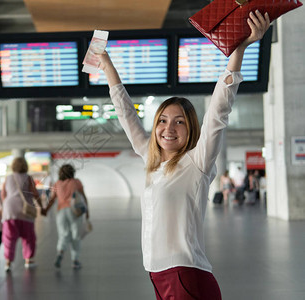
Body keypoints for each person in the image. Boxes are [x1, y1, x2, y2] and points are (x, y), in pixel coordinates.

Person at [96, 10, 270, 299]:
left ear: (191, 130)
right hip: (157, 275)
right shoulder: (152, 161)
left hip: (185, 277)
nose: (168, 128)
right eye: (162, 120)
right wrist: (106, 64)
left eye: (179, 121)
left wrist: (239, 49)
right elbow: (125, 113)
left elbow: (218, 111)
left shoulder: (196, 163)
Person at [42, 164, 89, 269]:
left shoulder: (57, 184)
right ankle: (75, 260)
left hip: (61, 212)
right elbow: (83, 196)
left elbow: (53, 199)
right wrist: (87, 211)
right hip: (74, 211)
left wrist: (45, 210)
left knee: (63, 234)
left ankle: (60, 253)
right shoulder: (76, 182)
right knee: (76, 235)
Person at [0, 157, 43, 272]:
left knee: (9, 237)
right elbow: (34, 193)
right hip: (25, 210)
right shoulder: (28, 178)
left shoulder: (8, 178)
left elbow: (3, 194)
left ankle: (8, 262)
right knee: (28, 237)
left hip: (10, 211)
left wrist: (7, 205)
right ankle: (29, 260)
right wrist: (41, 206)